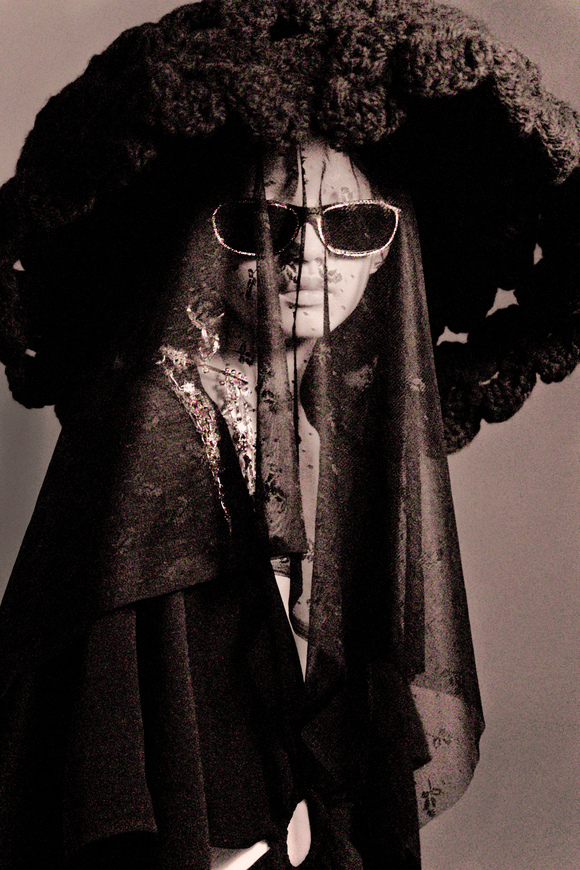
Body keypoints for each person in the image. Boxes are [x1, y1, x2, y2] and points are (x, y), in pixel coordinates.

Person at [0, 1, 578, 868]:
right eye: (262, 225)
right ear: (207, 238)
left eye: (352, 225)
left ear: (387, 252)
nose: (306, 256)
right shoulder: (162, 420)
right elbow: (124, 705)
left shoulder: (321, 425)